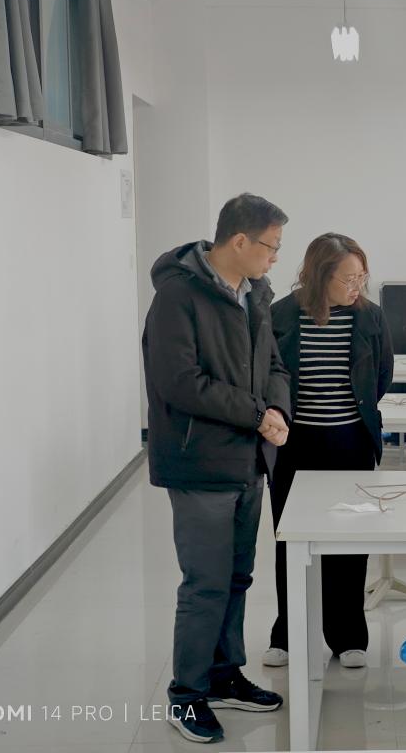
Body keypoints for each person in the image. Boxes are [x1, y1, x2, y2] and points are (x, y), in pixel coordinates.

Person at [142, 193, 291, 744]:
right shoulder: (177, 296)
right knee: (205, 584)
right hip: (200, 461)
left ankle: (225, 675)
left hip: (248, 460)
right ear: (240, 241)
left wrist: (277, 411)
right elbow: (179, 383)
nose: (275, 257)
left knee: (236, 577)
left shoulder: (255, 293)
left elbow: (273, 364)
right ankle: (186, 694)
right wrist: (256, 414)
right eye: (271, 247)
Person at [263, 233, 394, 670]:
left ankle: (348, 635)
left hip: (351, 442)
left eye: (361, 277)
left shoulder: (370, 317)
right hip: (295, 444)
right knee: (290, 540)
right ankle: (288, 633)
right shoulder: (281, 314)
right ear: (320, 276)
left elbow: (380, 376)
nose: (357, 286)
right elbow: (269, 376)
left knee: (350, 542)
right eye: (348, 278)